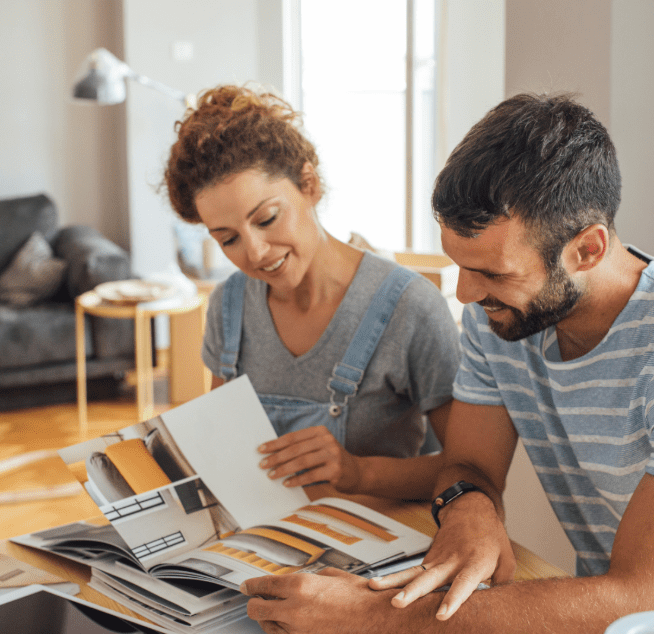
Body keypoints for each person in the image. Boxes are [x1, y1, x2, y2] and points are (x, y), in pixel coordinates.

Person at [241, 93, 654, 634]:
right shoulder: (500, 315)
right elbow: (467, 467)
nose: (465, 293)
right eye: (458, 265)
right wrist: (469, 511)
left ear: (587, 249)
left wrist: (377, 620)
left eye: (491, 273)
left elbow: (642, 610)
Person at [164, 84, 460, 500]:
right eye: (228, 239)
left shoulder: (410, 308)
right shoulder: (229, 307)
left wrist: (359, 473)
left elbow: (469, 472)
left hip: (373, 552)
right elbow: (226, 452)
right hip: (262, 549)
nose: (255, 253)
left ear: (309, 184)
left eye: (266, 218)